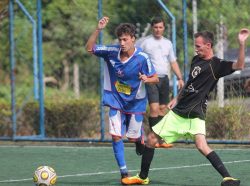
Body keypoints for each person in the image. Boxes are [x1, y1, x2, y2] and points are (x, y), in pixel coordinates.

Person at [122, 28, 249, 185]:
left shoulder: (216, 65)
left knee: (202, 145)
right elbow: (189, 82)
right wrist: (176, 97)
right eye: (195, 46)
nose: (196, 49)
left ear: (208, 45)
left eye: (198, 46)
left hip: (195, 112)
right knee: (151, 139)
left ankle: (228, 178)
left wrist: (241, 44)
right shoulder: (196, 59)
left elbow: (240, 64)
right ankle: (142, 177)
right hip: (179, 111)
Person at [85, 17, 159, 182]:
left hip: (136, 103)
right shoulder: (111, 51)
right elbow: (89, 48)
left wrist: (147, 79)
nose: (122, 42)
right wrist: (98, 29)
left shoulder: (142, 58)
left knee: (132, 137)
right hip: (115, 101)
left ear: (133, 38)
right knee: (116, 136)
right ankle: (124, 172)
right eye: (120, 39)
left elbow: (156, 78)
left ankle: (138, 139)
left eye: (125, 39)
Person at [136, 17, 184, 149]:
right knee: (154, 109)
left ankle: (161, 139)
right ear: (152, 28)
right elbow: (137, 59)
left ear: (164, 28)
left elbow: (173, 61)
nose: (158, 30)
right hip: (151, 79)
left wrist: (180, 78)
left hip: (164, 79)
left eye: (160, 27)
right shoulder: (145, 43)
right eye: (156, 27)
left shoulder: (168, 43)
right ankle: (153, 139)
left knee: (163, 109)